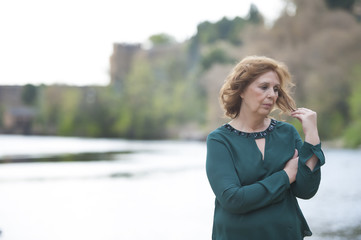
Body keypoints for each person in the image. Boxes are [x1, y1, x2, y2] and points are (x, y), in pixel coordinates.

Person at [206, 56, 325, 240]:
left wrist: (312, 137)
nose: (272, 94)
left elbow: (306, 191)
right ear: (242, 90)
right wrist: (286, 175)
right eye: (264, 87)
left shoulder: (287, 133)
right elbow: (233, 200)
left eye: (276, 89)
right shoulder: (219, 140)